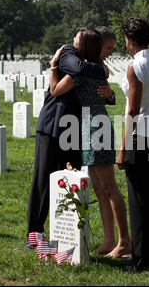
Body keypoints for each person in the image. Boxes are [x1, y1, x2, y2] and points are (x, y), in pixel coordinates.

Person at [50, 27, 131, 258]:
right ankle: (108, 241)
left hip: (94, 124)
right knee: (98, 187)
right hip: (91, 122)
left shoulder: (81, 72)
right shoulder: (98, 68)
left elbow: (55, 90)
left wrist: (54, 66)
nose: (72, 45)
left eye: (77, 42)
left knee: (109, 187)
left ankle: (124, 242)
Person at [24, 30, 108, 249]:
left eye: (77, 38)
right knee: (42, 181)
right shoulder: (68, 52)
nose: (72, 40)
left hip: (75, 128)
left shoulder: (92, 64)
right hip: (53, 123)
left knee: (72, 179)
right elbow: (77, 70)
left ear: (85, 45)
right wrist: (100, 69)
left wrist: (104, 77)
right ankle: (34, 237)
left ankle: (69, 234)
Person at [117, 16, 149, 271]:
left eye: (126, 39)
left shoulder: (134, 66)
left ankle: (140, 260)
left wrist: (123, 147)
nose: (126, 44)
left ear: (131, 40)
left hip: (141, 132)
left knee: (137, 198)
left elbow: (133, 110)